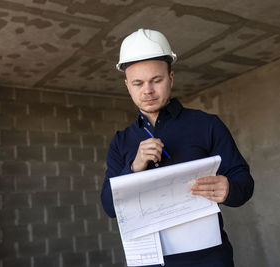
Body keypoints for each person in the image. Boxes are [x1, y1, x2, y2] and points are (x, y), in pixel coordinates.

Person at [100, 29, 254, 266]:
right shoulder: (121, 141)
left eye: (156, 80)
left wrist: (229, 188)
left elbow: (244, 183)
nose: (147, 90)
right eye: (138, 83)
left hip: (209, 260)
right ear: (127, 86)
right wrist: (134, 167)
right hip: (149, 262)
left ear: (171, 78)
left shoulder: (207, 125)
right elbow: (110, 208)